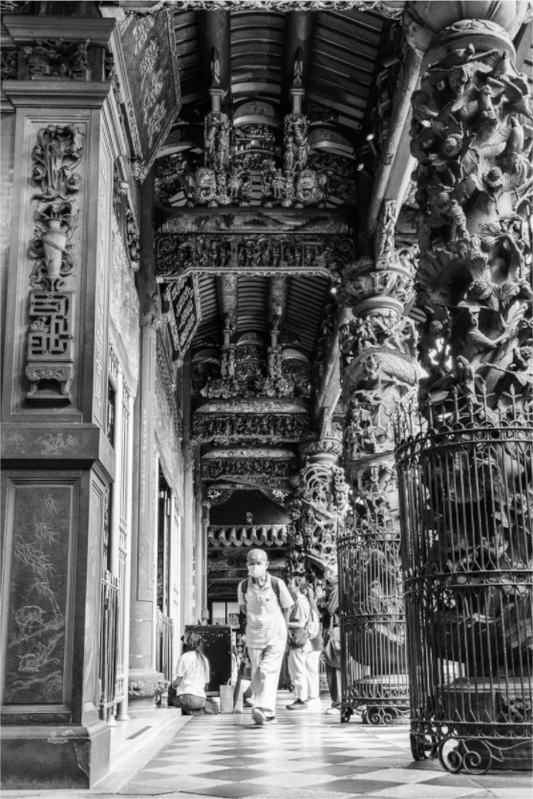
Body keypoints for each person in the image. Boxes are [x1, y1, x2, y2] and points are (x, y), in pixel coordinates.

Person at [238, 549, 293, 725]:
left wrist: (283, 627)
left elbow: (287, 607)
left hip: (276, 635)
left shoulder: (278, 583)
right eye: (251, 563)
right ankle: (267, 711)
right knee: (256, 673)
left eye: (259, 563)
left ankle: (263, 709)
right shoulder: (243, 586)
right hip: (254, 635)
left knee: (266, 670)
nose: (255, 566)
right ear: (247, 565)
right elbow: (243, 609)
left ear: (267, 564)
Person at [170, 631, 218, 716]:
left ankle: (190, 710)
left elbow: (177, 682)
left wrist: (171, 685)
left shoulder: (184, 657)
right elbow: (206, 686)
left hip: (187, 699)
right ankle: (197, 710)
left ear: (186, 645)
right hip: (201, 699)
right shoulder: (204, 659)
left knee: (169, 699)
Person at [286, 576, 313, 710]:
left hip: (298, 639)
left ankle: (301, 699)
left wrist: (284, 623)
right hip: (296, 640)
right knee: (295, 670)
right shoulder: (299, 601)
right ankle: (299, 697)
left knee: (298, 670)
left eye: (291, 583)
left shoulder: (301, 602)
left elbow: (300, 623)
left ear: (297, 587)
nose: (289, 585)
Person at [305, 585, 324, 708]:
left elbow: (311, 629)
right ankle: (311, 695)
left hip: (313, 643)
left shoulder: (311, 609)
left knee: (311, 670)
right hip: (313, 643)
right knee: (310, 669)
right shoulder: (313, 608)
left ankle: (314, 696)